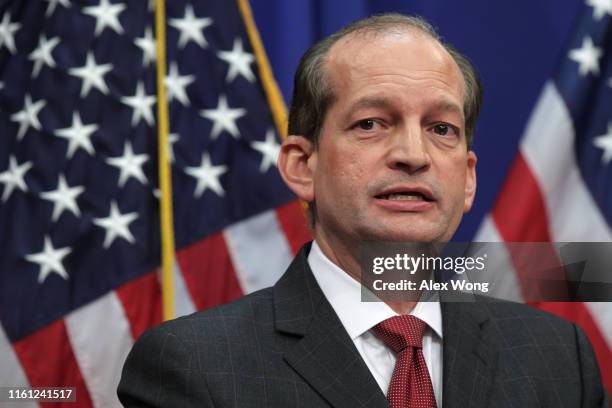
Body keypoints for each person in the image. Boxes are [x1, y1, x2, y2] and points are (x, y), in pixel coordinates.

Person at [117, 13, 607, 407]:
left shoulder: (559, 358)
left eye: (441, 129)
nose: (414, 154)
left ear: (469, 179)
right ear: (302, 166)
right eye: (372, 123)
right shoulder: (193, 366)